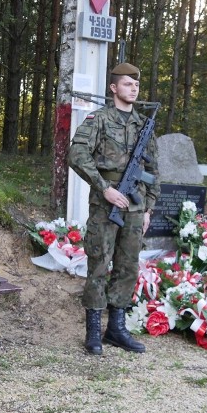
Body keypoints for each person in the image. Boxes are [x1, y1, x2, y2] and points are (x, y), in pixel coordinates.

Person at [68, 63, 160, 355]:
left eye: (136, 85)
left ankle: (116, 329)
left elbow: (154, 171)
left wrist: (148, 210)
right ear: (113, 88)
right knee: (98, 264)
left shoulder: (143, 125)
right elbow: (77, 153)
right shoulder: (100, 119)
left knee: (128, 265)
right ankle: (94, 331)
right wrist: (103, 188)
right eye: (127, 84)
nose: (133, 89)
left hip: (135, 206)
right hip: (105, 203)